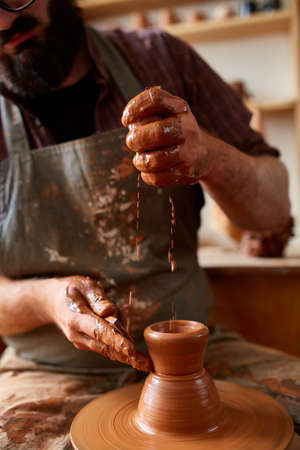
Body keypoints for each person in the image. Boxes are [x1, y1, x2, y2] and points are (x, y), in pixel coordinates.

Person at [0, 0, 299, 448]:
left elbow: (274, 209)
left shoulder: (162, 57)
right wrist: (47, 300)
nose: (5, 20)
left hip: (198, 350)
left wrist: (211, 157)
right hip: (49, 368)